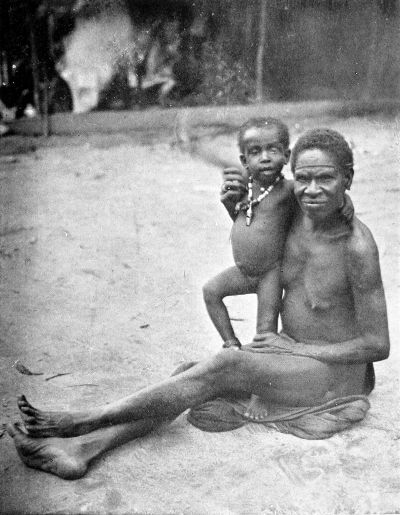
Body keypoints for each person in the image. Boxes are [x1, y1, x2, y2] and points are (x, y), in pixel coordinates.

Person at [6, 128, 389, 480]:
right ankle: (84, 451)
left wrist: (300, 348)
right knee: (192, 374)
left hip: (330, 374)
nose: (312, 190)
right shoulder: (294, 214)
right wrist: (234, 206)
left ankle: (83, 421)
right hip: (288, 356)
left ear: (348, 180)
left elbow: (378, 345)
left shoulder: (357, 247)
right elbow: (253, 239)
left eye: (326, 178)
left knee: (223, 366)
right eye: (303, 178)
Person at [203, 117, 352, 350]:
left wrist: (344, 199)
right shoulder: (245, 190)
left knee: (265, 335)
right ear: (245, 160)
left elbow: (320, 194)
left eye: (272, 149)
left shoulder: (288, 190)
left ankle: (259, 362)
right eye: (255, 152)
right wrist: (230, 204)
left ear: (286, 155)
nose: (265, 157)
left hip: (269, 275)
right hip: (244, 270)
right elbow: (248, 223)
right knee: (210, 291)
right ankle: (231, 344)